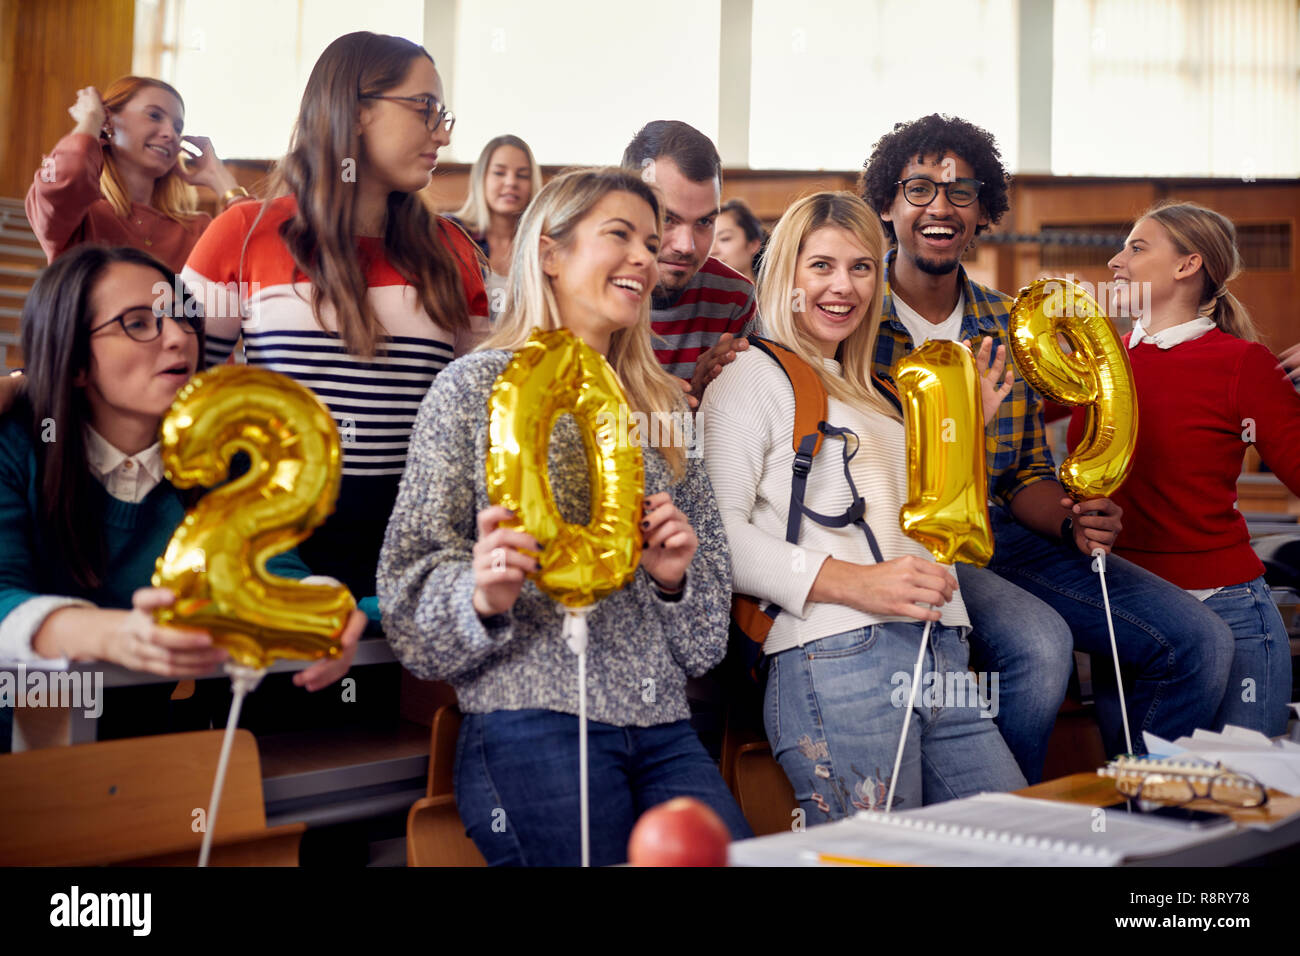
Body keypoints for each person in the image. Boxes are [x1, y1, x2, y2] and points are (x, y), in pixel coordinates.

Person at [377, 166, 751, 866]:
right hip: (530, 721)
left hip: (664, 730)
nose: (647, 254)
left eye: (652, 238)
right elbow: (407, 608)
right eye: (620, 235)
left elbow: (703, 647)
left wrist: (672, 582)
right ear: (549, 253)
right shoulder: (470, 391)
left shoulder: (666, 415)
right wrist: (480, 595)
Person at [858, 114, 1234, 775]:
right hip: (910, 538)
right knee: (1038, 643)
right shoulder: (854, 318)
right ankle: (1009, 827)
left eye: (961, 192)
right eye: (919, 189)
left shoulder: (1009, 322)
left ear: (983, 213)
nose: (940, 207)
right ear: (888, 204)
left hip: (1007, 534)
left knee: (1199, 638)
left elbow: (1024, 471)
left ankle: (1140, 816)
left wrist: (1070, 521)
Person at [698, 191, 1024, 819]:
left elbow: (937, 530)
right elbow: (720, 540)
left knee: (1020, 844)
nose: (842, 286)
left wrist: (968, 440)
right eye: (820, 265)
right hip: (836, 654)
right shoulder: (750, 374)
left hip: (940, 651)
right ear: (785, 274)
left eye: (861, 266)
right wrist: (860, 585)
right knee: (880, 862)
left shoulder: (882, 391)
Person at [0, 246, 362, 743]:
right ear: (77, 361)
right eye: (137, 323)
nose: (178, 338)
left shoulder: (222, 453)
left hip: (152, 754)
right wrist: (116, 635)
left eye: (182, 318)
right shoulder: (16, 445)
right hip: (25, 756)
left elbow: (270, 569)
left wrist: (320, 607)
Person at [181, 31, 489, 606]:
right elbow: (171, 386)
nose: (443, 133)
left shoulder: (454, 251)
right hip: (268, 544)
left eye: (443, 115)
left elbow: (481, 413)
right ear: (355, 110)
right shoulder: (242, 232)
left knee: (367, 697)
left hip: (405, 546)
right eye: (426, 109)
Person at [1069, 201, 1300, 735]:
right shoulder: (1095, 366)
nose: (1115, 261)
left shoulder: (1242, 364)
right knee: (1141, 804)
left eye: (1136, 246)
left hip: (1229, 611)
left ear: (1187, 265)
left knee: (1239, 805)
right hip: (1129, 615)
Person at [26, 76, 251, 273]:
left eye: (178, 127)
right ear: (110, 121)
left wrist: (220, 178)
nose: (170, 134)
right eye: (154, 115)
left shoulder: (197, 229)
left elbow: (260, 254)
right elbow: (64, 176)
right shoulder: (79, 215)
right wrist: (91, 119)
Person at [622, 120, 755, 402]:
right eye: (668, 219)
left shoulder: (735, 298)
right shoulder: (580, 288)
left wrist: (708, 394)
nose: (686, 246)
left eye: (705, 221)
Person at [450, 134, 543, 320]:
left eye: (522, 175)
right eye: (499, 173)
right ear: (481, 178)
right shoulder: (453, 233)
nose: (511, 182)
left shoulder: (543, 243)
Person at [710, 197, 764, 283]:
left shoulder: (779, 294)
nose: (712, 251)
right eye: (709, 241)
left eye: (724, 239)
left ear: (753, 245)